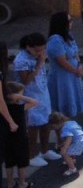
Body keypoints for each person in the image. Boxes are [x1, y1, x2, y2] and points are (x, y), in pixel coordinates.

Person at [15, 33, 55, 167]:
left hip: (42, 93)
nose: (40, 52)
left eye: (42, 49)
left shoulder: (39, 55)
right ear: (28, 47)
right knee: (33, 127)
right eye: (37, 50)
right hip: (29, 96)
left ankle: (44, 150)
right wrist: (39, 64)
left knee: (45, 123)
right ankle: (31, 155)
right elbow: (25, 80)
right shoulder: (21, 60)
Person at [2, 61, 35, 188]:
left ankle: (10, 184)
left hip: (7, 137)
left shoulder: (5, 109)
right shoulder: (19, 107)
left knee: (9, 161)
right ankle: (22, 183)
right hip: (20, 137)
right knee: (22, 161)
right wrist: (21, 97)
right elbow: (34, 102)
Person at [46, 12, 83, 118]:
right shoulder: (55, 40)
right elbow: (62, 61)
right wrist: (76, 70)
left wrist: (80, 65)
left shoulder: (68, 35)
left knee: (72, 98)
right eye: (69, 21)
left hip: (72, 74)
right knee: (64, 100)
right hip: (62, 76)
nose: (72, 22)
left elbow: (75, 51)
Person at [49, 112, 83, 177]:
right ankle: (72, 160)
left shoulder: (64, 129)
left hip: (78, 141)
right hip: (82, 138)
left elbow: (69, 138)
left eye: (54, 127)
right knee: (70, 150)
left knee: (66, 154)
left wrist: (64, 149)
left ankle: (72, 169)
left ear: (58, 123)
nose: (54, 128)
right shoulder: (71, 122)